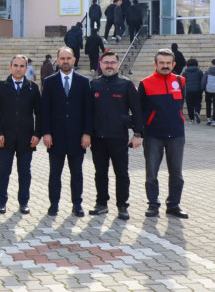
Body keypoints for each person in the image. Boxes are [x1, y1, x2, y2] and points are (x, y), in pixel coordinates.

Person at [88, 51, 143, 221]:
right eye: (106, 62)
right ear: (100, 64)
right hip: (97, 138)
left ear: (118, 64)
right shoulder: (93, 84)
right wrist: (86, 134)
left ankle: (122, 206)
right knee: (100, 173)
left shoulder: (126, 84)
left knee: (121, 173)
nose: (109, 65)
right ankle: (101, 203)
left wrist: (138, 134)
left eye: (113, 62)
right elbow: (87, 112)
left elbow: (137, 110)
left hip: (119, 137)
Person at [42, 47, 92, 217]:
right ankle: (54, 204)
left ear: (74, 60)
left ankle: (77, 204)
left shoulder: (84, 82)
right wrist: (46, 132)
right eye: (62, 58)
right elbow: (45, 110)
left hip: (77, 137)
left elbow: (88, 110)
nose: (65, 61)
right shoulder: (49, 82)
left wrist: (87, 133)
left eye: (68, 58)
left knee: (77, 173)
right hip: (55, 137)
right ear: (57, 60)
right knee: (55, 174)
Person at [138, 48, 188, 219]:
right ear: (155, 64)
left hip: (176, 135)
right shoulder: (145, 83)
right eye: (162, 63)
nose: (165, 66)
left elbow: (181, 104)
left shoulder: (181, 82)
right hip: (153, 135)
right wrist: (140, 131)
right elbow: (140, 110)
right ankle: (153, 204)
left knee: (177, 173)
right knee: (151, 173)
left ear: (174, 64)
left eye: (168, 63)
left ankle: (174, 205)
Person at [0, 55, 42, 215]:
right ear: (10, 67)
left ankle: (24, 202)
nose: (18, 68)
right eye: (15, 65)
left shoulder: (32, 88)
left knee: (25, 172)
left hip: (26, 139)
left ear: (26, 69)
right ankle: (1, 202)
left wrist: (37, 134)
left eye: (22, 66)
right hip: (5, 138)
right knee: (4, 171)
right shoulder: (1, 87)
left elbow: (39, 113)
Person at [182, 59, 204, 123]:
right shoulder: (199, 71)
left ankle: (191, 119)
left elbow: (183, 82)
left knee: (189, 105)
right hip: (198, 90)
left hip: (188, 91)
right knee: (198, 103)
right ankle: (197, 112)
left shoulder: (185, 72)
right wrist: (202, 89)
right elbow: (202, 81)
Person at [203, 59, 215, 125]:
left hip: (208, 90)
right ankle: (214, 121)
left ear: (212, 63)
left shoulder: (208, 71)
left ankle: (208, 118)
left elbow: (204, 81)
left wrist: (203, 88)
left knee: (208, 104)